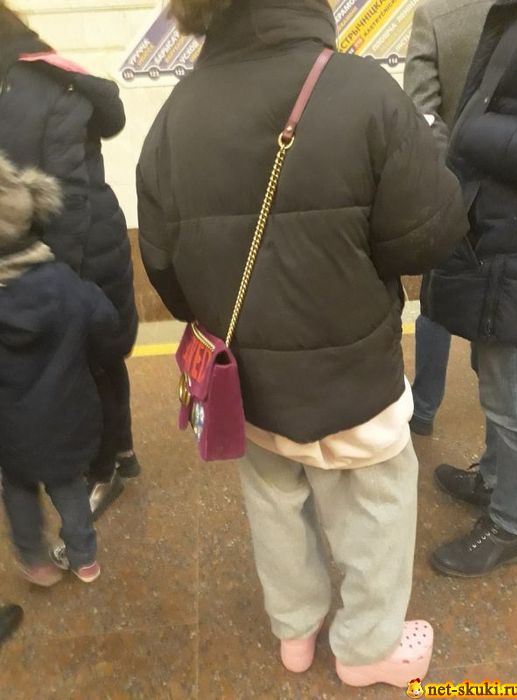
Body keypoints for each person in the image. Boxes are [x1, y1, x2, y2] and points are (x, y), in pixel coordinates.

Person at [137, 0, 468, 688]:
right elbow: (425, 238)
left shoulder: (176, 113)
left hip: (246, 380)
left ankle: (295, 632)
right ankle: (366, 649)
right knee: (375, 500)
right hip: (352, 370)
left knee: (273, 499)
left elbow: (165, 267)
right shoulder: (362, 89)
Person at [0, 3, 140, 519]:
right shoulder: (39, 78)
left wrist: (53, 287)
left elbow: (65, 202)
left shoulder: (30, 88)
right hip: (89, 245)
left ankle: (100, 471)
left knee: (81, 364)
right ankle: (121, 453)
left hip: (73, 254)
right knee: (102, 358)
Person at [424, 0, 517, 576]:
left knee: (512, 397)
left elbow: (480, 121)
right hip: (497, 228)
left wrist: (473, 130)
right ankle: (493, 479)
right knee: (494, 378)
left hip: (516, 238)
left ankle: (512, 521)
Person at [0, 156, 122, 584]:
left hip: (10, 430)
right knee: (69, 488)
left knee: (17, 489)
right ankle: (84, 558)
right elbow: (107, 326)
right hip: (69, 417)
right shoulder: (66, 282)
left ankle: (35, 561)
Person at [404, 0, 491, 436]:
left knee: (436, 301)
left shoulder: (434, 16)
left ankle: (423, 409)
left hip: (452, 189)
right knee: (502, 305)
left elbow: (420, 112)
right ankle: (499, 416)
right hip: (514, 192)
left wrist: (454, 173)